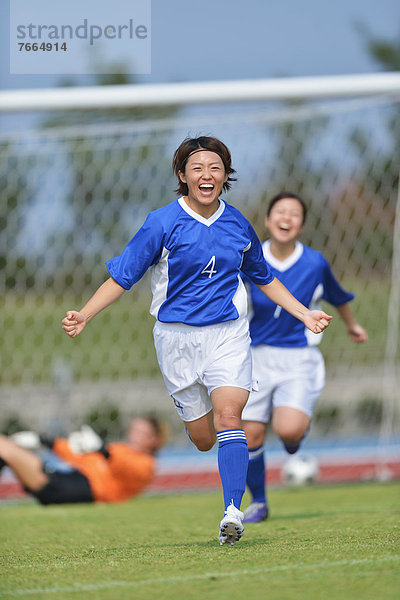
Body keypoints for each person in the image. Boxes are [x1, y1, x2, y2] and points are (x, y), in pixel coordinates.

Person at [61, 137, 332, 546]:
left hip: (229, 334)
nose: (207, 175)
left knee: (229, 418)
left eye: (215, 168)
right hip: (176, 342)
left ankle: (232, 513)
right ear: (182, 175)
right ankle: (216, 460)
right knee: (204, 438)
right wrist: (85, 313)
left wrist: (304, 313)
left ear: (226, 175)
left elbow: (264, 277)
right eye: (198, 168)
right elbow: (123, 277)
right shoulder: (161, 223)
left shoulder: (238, 224)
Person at [241, 192, 368, 524]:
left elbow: (338, 297)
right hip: (254, 357)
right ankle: (260, 503)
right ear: (267, 221)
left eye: (294, 214)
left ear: (302, 224)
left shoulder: (314, 262)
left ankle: (295, 436)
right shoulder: (250, 259)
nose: (286, 218)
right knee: (249, 434)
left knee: (289, 431)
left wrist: (352, 325)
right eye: (280, 212)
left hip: (298, 358)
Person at [0, 417, 165, 505]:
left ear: (154, 439)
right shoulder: (120, 449)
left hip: (81, 489)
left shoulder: (147, 464)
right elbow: (79, 457)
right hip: (71, 480)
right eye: (133, 431)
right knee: (5, 446)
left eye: (141, 433)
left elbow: (127, 467)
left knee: (4, 448)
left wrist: (102, 450)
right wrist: (44, 441)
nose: (133, 436)